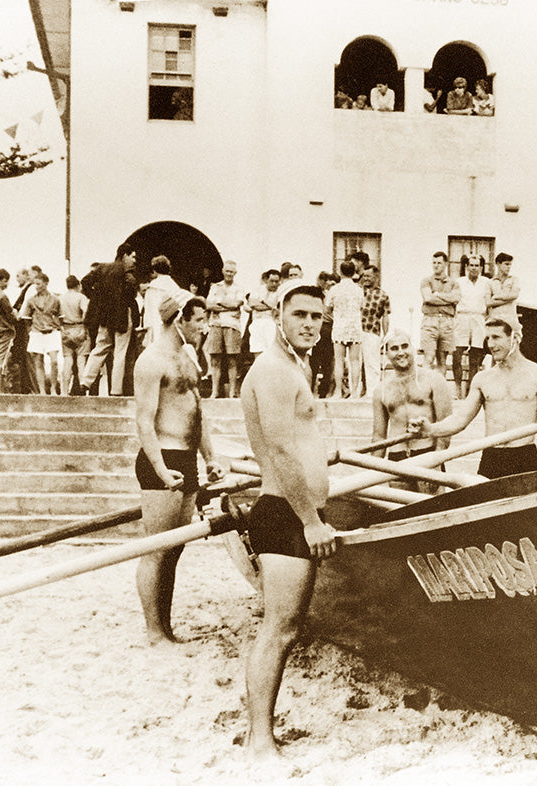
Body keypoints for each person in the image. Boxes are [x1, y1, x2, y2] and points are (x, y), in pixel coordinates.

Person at [240, 283, 339, 758]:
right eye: (298, 314)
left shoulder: (293, 366)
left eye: (316, 317)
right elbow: (279, 450)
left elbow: (297, 437)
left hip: (292, 511)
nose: (308, 324)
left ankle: (262, 734)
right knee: (278, 630)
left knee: (286, 629)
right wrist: (311, 521)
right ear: (278, 315)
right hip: (284, 514)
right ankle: (259, 739)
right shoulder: (276, 370)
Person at [132, 296, 225, 645]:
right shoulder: (150, 361)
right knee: (155, 550)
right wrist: (159, 468)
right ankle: (154, 632)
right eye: (199, 320)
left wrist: (210, 458)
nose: (204, 327)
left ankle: (166, 628)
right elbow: (144, 422)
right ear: (179, 321)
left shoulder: (188, 358)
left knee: (175, 549)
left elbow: (198, 412)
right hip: (162, 459)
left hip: (187, 459)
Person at [413, 317, 537, 478]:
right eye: (488, 338)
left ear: (515, 338)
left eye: (496, 337)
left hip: (524, 456)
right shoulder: (482, 378)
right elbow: (460, 419)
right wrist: (431, 429)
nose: (490, 344)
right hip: (492, 456)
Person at [372, 330, 452, 491]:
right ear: (386, 353)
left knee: (432, 509)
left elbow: (446, 426)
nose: (401, 352)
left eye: (405, 346)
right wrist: (373, 473)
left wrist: (436, 462)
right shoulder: (381, 390)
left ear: (413, 349)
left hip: (427, 455)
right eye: (394, 348)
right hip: (396, 459)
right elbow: (379, 436)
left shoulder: (433, 380)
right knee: (399, 512)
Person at [82, 243, 140, 396]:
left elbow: (85, 282)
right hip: (122, 316)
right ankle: (116, 390)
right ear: (125, 255)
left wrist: (97, 298)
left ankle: (85, 383)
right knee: (120, 352)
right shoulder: (128, 273)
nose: (134, 260)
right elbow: (131, 290)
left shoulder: (102, 268)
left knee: (100, 348)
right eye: (132, 256)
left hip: (104, 316)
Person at [205, 259, 245, 398]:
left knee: (232, 359)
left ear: (235, 273)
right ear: (223, 271)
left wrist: (220, 302)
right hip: (216, 324)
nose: (229, 274)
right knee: (215, 358)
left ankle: (232, 392)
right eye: (227, 271)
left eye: (232, 272)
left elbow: (236, 304)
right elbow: (208, 304)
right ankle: (214, 391)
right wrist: (227, 305)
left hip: (232, 326)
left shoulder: (239, 288)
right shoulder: (215, 287)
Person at [453, 256, 491, 397]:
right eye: (471, 265)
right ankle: (457, 389)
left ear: (481, 267)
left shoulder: (487, 282)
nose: (474, 268)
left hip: (478, 318)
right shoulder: (459, 282)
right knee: (457, 354)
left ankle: (471, 391)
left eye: (477, 265)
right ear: (467, 266)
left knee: (475, 357)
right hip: (462, 317)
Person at [326, 259, 364, 398]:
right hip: (354, 327)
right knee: (355, 361)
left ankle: (337, 391)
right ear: (353, 272)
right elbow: (361, 306)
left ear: (340, 272)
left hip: (340, 326)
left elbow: (327, 307)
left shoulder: (334, 289)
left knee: (339, 360)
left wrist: (337, 315)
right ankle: (354, 392)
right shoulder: (359, 290)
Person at [20, 272, 62, 394]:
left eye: (38, 284)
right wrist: (31, 331)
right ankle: (42, 390)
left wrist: (57, 327)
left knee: (54, 361)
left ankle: (53, 388)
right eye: (35, 284)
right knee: (38, 362)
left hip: (51, 332)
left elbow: (60, 316)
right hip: (37, 332)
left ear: (45, 283)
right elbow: (26, 319)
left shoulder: (55, 299)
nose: (36, 286)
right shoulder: (31, 300)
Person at [419, 251, 459, 374]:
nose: (436, 265)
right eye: (434, 263)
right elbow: (428, 298)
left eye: (439, 263)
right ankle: (425, 391)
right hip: (430, 321)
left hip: (447, 322)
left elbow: (456, 298)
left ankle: (439, 391)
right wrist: (447, 298)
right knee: (429, 357)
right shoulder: (426, 281)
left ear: (445, 264)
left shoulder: (453, 283)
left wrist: (437, 295)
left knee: (442, 360)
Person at [359, 262, 391, 396]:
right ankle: (357, 391)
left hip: (372, 332)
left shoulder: (382, 295)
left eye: (369, 276)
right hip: (356, 332)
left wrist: (386, 335)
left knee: (372, 364)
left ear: (376, 277)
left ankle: (372, 393)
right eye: (364, 276)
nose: (366, 279)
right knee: (355, 363)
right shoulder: (358, 291)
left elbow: (385, 316)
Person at [142, 256, 183, 347]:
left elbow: (148, 310)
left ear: (155, 270)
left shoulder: (152, 288)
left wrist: (148, 326)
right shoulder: (174, 287)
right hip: (171, 324)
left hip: (155, 323)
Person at [310, 271, 339, 397]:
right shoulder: (318, 294)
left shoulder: (334, 294)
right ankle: (311, 389)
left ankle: (324, 391)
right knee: (314, 360)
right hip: (320, 327)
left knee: (327, 362)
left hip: (329, 328)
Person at [245, 269, 281, 356]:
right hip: (257, 323)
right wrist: (270, 306)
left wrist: (261, 302)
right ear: (266, 280)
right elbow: (252, 304)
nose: (274, 284)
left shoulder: (280, 292)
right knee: (257, 351)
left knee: (272, 352)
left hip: (272, 323)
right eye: (272, 281)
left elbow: (277, 306)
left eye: (276, 281)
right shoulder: (257, 290)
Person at [487, 252, 519, 325]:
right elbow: (488, 303)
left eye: (510, 264)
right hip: (495, 320)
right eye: (506, 264)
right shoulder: (490, 282)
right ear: (498, 264)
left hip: (511, 320)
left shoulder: (514, 279)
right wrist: (509, 299)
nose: (509, 267)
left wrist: (496, 297)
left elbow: (514, 295)